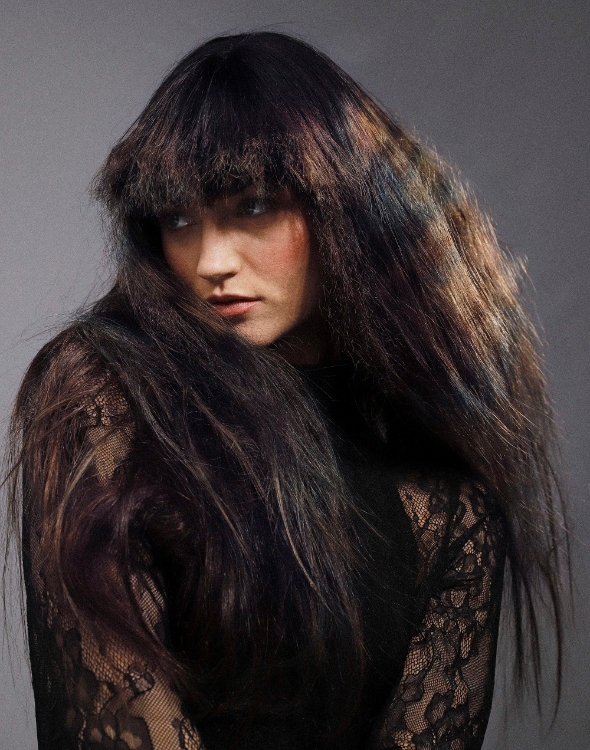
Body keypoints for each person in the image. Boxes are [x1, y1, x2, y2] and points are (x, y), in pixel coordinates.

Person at [6, 31, 568, 750]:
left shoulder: (443, 487)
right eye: (178, 218)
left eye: (253, 208)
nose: (211, 261)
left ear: (345, 208)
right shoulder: (106, 398)